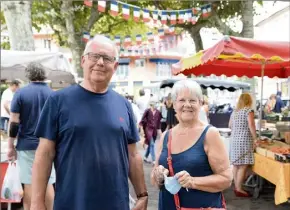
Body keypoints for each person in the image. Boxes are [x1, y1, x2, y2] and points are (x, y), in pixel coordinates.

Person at [30, 35, 148, 210]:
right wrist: (36, 203)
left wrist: (142, 194)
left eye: (107, 58)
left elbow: (133, 155)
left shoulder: (123, 105)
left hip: (116, 203)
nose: (100, 62)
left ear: (115, 66)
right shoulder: (58, 101)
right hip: (73, 202)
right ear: (83, 60)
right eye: (94, 56)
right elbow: (44, 154)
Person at [151, 80, 232, 210]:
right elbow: (154, 179)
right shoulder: (166, 136)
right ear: (174, 104)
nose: (187, 105)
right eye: (182, 100)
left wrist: (193, 182)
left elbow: (226, 179)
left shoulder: (210, 134)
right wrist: (158, 175)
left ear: (200, 104)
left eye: (192, 100)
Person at [7, 63, 55, 210]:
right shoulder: (53, 94)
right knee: (47, 181)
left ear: (28, 75)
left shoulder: (20, 94)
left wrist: (10, 146)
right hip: (48, 145)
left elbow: (14, 122)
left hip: (26, 145)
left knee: (29, 183)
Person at [229, 93, 256, 197]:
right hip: (244, 140)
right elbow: (251, 125)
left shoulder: (234, 112)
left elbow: (230, 125)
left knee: (236, 165)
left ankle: (237, 187)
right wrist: (255, 138)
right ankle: (239, 189)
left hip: (234, 140)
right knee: (243, 165)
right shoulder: (248, 110)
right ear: (249, 100)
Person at [140, 99, 162, 165]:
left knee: (150, 144)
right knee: (152, 144)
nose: (155, 105)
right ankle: (154, 160)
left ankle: (145, 157)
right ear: (151, 104)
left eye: (156, 103)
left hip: (154, 131)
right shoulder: (147, 111)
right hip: (148, 129)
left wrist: (160, 132)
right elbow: (142, 120)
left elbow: (158, 123)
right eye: (154, 103)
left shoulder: (158, 112)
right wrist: (141, 129)